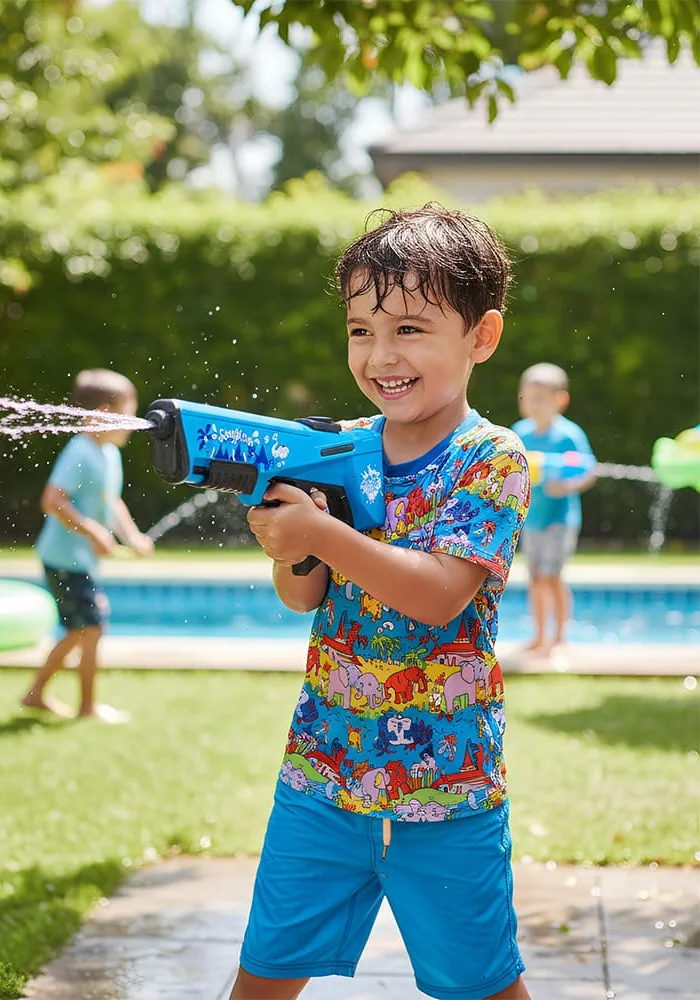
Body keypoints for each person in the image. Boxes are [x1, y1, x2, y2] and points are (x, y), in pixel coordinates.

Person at [234, 204, 532, 1000]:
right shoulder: (339, 446)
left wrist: (323, 536)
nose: (380, 354)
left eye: (409, 329)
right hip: (323, 775)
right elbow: (303, 595)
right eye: (361, 330)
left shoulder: (491, 458)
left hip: (446, 788)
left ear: (481, 337)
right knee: (264, 973)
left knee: (482, 984)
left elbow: (439, 595)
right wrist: (291, 542)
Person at [21, 368, 153, 723]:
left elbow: (112, 501)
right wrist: (93, 531)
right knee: (91, 628)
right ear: (105, 414)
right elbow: (52, 500)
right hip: (64, 559)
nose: (134, 423)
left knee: (81, 629)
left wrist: (132, 536)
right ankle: (87, 707)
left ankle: (35, 694)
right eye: (128, 414)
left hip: (78, 560)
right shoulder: (80, 451)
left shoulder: (108, 453)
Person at [512, 363, 596, 656]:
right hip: (532, 519)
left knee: (551, 577)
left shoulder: (568, 436)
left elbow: (589, 471)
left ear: (560, 400)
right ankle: (539, 636)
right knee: (536, 577)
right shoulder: (519, 433)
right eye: (527, 397)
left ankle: (559, 636)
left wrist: (566, 486)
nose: (532, 404)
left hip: (560, 519)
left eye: (540, 399)